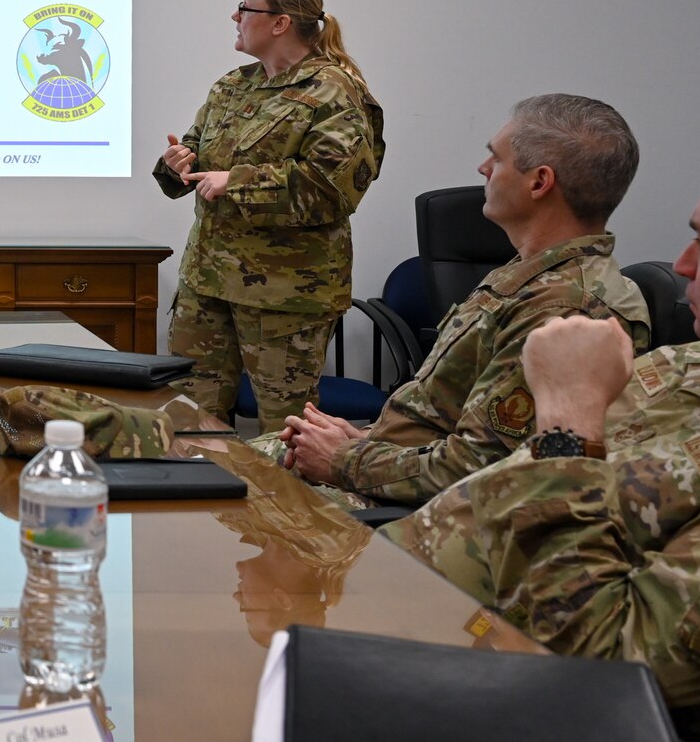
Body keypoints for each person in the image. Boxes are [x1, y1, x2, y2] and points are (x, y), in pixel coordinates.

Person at [388, 138, 700, 736]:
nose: (681, 265)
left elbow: (604, 676)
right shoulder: (694, 363)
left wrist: (568, 423)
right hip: (395, 595)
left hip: (474, 696)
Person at [271, 94, 651, 506]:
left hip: (419, 510)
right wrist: (360, 441)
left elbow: (479, 467)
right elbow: (443, 417)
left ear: (539, 182)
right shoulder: (529, 274)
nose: (483, 168)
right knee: (219, 459)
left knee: (228, 496)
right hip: (387, 467)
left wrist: (344, 459)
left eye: (497, 159)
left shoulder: (563, 309)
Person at [155, 0, 383, 433]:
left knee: (287, 433)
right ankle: (199, 508)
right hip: (208, 281)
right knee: (190, 423)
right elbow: (196, 156)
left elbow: (331, 189)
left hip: (285, 296)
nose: (234, 15)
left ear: (280, 22)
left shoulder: (334, 91)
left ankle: (285, 510)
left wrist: (234, 180)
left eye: (246, 6)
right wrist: (178, 162)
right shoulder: (233, 86)